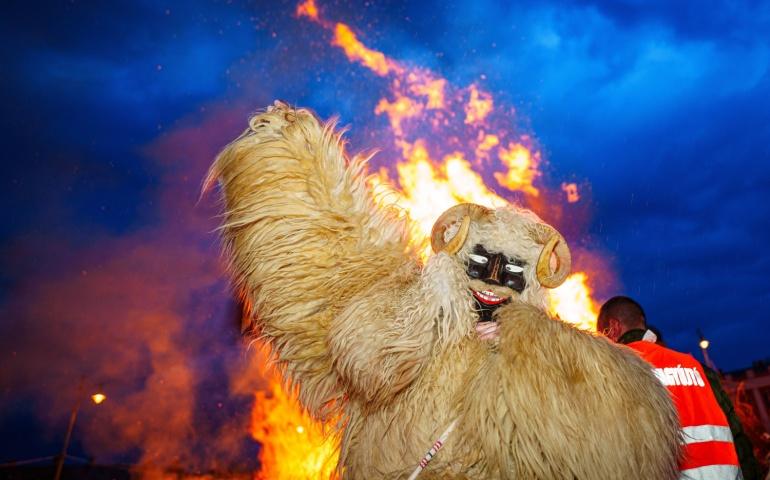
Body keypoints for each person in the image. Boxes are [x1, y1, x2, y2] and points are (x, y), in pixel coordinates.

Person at [598, 296, 743, 480]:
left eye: (603, 335)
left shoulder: (617, 371)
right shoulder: (693, 364)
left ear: (614, 327)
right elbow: (736, 431)